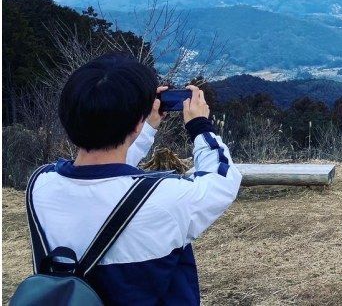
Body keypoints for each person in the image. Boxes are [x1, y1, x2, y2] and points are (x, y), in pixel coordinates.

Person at [28, 53, 242, 304]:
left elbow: (106, 176)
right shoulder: (166, 198)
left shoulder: (40, 185)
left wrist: (144, 125)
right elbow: (223, 177)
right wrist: (200, 126)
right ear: (135, 125)